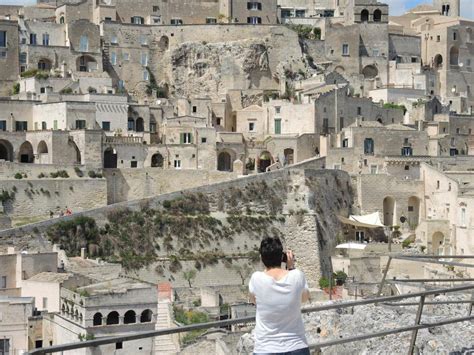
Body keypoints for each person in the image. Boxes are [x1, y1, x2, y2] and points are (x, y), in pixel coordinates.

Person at [249, 237, 310, 355]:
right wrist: (291, 267)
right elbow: (304, 298)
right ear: (282, 257)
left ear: (262, 258)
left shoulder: (256, 278)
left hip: (265, 348)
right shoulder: (297, 276)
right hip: (296, 346)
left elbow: (254, 300)